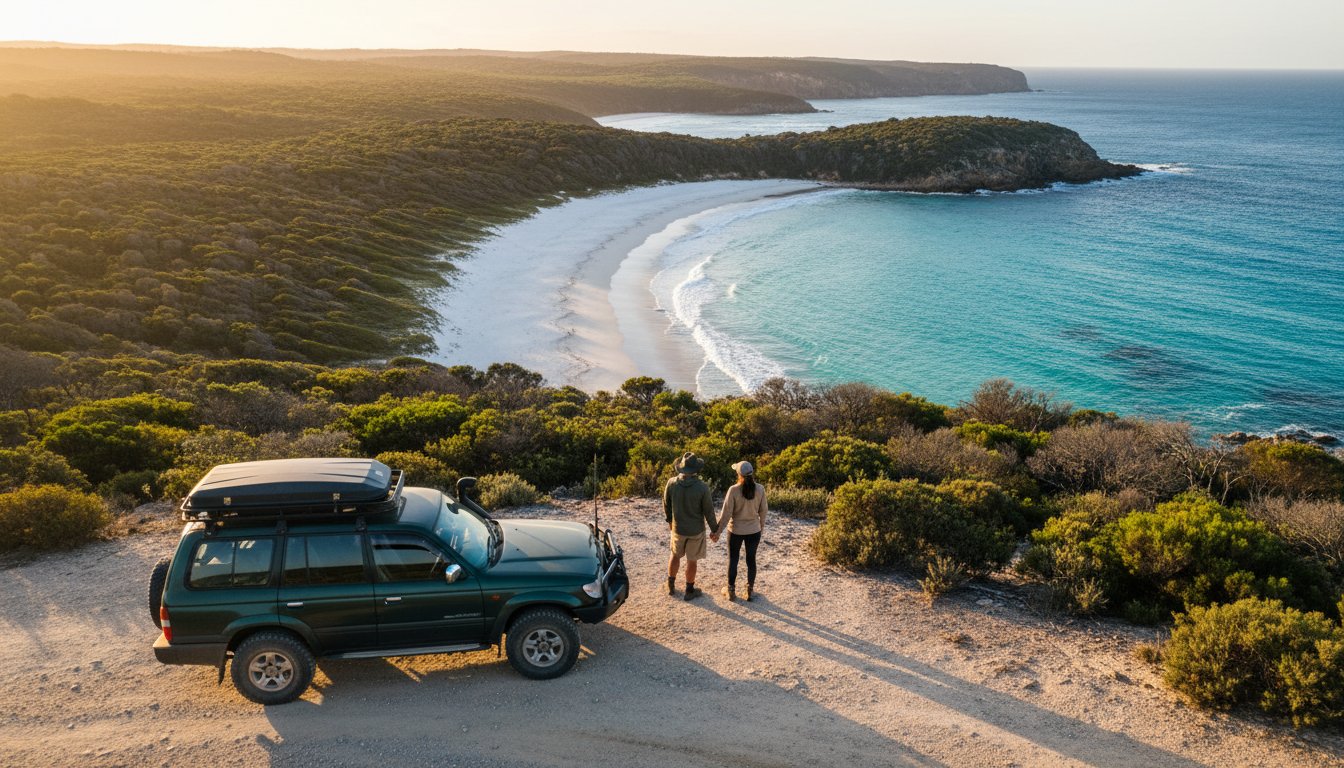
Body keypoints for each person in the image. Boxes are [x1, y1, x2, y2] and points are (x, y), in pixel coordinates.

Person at [663, 451, 717, 601]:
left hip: (677, 528)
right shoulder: (702, 487)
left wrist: (669, 521)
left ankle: (671, 585)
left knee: (674, 555)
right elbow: (709, 511)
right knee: (692, 560)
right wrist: (715, 530)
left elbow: (666, 504)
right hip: (696, 531)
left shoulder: (672, 483)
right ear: (696, 470)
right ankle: (689, 590)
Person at [710, 460, 766, 602]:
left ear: (739, 474)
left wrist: (717, 532)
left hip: (735, 531)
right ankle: (749, 590)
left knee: (733, 559)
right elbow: (763, 510)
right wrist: (761, 526)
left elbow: (726, 514)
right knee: (751, 560)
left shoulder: (733, 490)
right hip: (754, 531)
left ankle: (731, 591)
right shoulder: (760, 489)